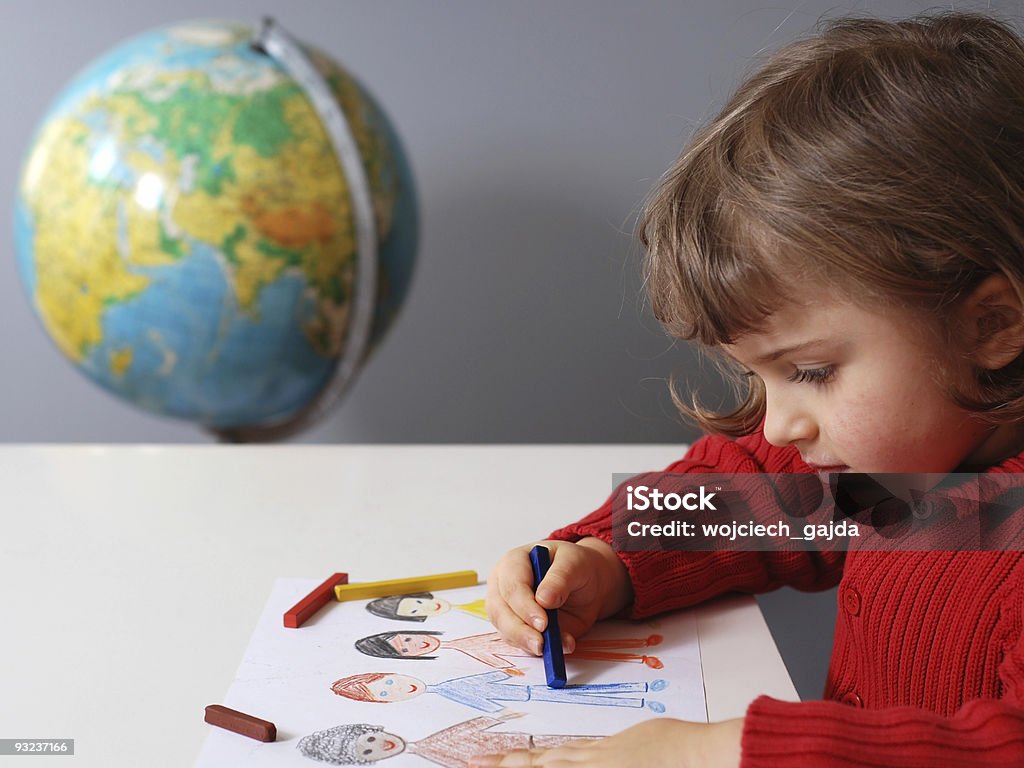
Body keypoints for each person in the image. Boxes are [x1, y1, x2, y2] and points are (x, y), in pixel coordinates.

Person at [475, 11, 1024, 767]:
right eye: (756, 375)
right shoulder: (898, 463)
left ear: (991, 324)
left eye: (811, 372)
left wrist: (710, 753)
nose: (776, 427)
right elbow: (757, 489)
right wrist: (604, 556)